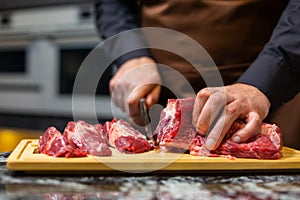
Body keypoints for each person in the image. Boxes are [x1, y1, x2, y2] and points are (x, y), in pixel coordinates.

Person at [95, 0, 300, 150]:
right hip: (168, 95)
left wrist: (263, 81)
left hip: (273, 89)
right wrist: (133, 55)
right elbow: (113, 4)